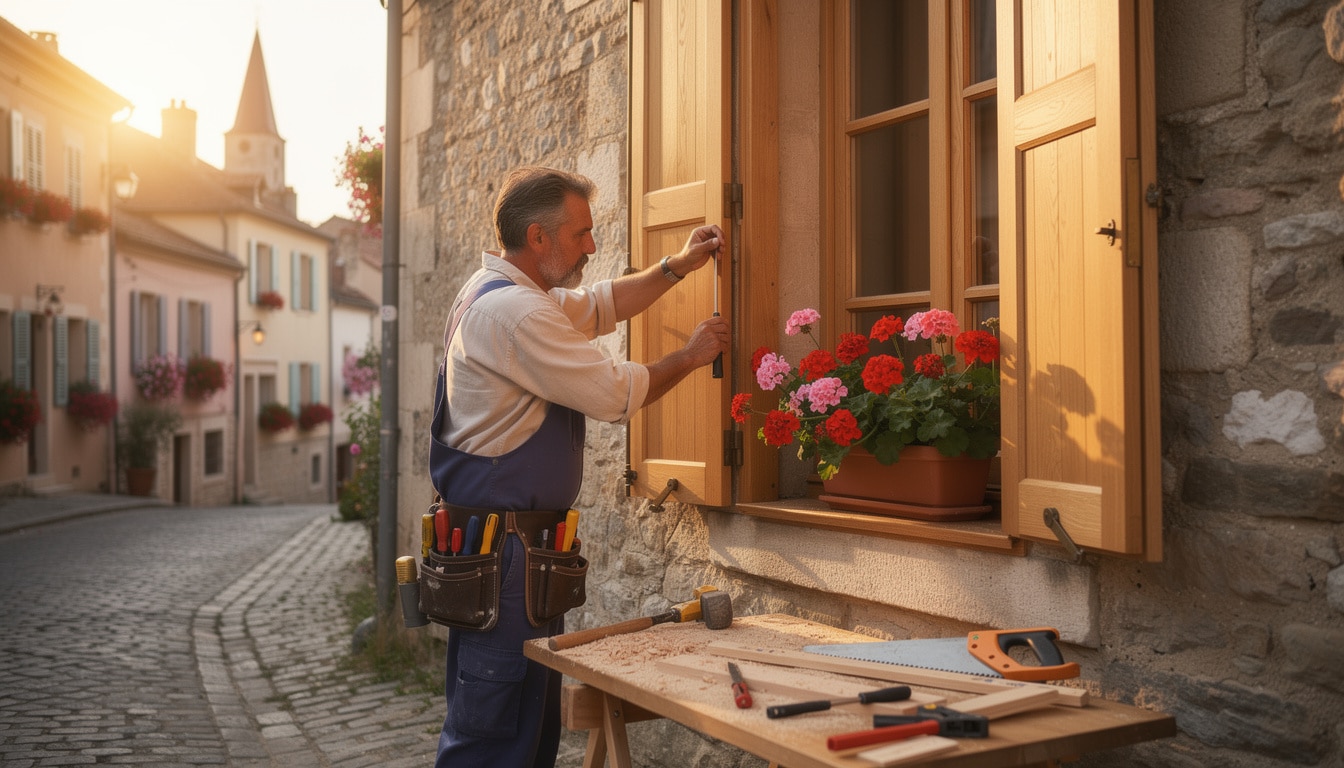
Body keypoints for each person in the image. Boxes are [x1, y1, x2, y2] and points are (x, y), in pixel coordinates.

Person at [430, 165, 728, 768]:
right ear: (538, 238)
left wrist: (677, 266)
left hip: (514, 553)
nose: (592, 245)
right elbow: (615, 393)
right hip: (506, 556)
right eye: (581, 233)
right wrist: (691, 356)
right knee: (493, 728)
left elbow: (601, 304)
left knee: (525, 723)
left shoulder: (506, 292)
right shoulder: (514, 312)